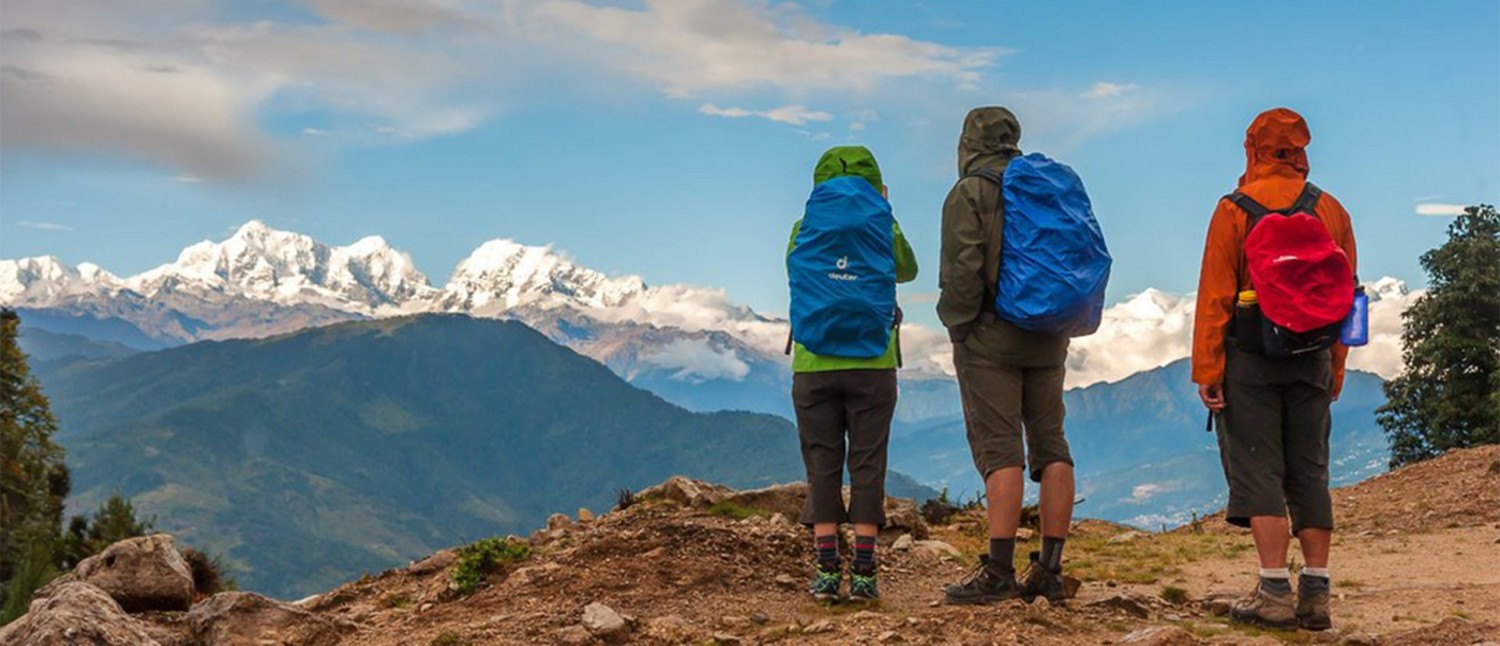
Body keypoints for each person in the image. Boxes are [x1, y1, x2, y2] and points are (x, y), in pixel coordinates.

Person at [1192, 107, 1357, 631]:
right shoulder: (1330, 210)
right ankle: (1317, 595)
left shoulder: (1233, 209)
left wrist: (1207, 369)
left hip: (1250, 357)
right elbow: (1348, 298)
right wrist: (1336, 364)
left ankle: (1273, 594)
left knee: (1259, 470)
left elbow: (1214, 295)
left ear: (1252, 148)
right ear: (1301, 148)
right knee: (1310, 472)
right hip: (1312, 357)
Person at [938, 107, 1094, 605]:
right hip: (1049, 332)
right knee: (1052, 445)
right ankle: (1049, 570)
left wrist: (958, 324)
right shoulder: (1045, 185)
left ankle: (999, 571)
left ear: (968, 141)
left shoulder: (970, 191)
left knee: (1001, 449)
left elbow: (963, 268)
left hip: (990, 337)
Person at [786, 146, 918, 602]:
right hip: (874, 366)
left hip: (813, 365)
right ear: (877, 185)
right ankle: (864, 573)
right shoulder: (884, 224)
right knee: (867, 465)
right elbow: (909, 269)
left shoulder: (802, 229)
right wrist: (884, 210)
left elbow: (794, 268)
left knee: (822, 466)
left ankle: (826, 572)